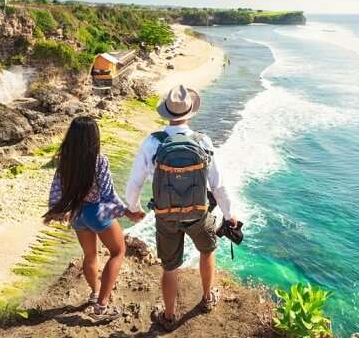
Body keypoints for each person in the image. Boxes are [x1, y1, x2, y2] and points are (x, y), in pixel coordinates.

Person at [126, 84, 237, 331]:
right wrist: (230, 215)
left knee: (169, 267)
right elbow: (218, 185)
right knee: (207, 251)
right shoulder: (203, 141)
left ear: (166, 113)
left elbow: (135, 183)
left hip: (165, 216)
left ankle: (168, 315)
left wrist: (133, 208)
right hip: (198, 214)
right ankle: (207, 298)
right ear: (190, 113)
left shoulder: (152, 142)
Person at [43, 116, 143, 321]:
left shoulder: (64, 161)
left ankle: (96, 292)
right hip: (96, 213)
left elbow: (56, 189)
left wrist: (56, 211)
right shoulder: (99, 160)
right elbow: (108, 194)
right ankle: (102, 306)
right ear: (93, 137)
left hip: (78, 215)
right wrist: (128, 212)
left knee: (90, 256)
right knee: (118, 251)